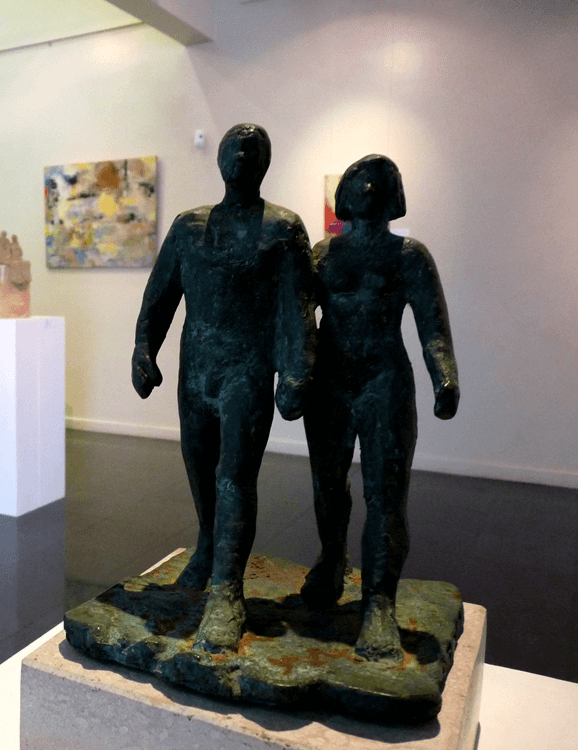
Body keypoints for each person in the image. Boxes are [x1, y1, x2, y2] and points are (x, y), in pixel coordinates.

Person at [132, 124, 316, 652]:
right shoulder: (189, 227)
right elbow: (160, 295)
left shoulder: (282, 228)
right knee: (198, 468)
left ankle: (227, 592)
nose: (241, 154)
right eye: (233, 147)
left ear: (265, 162)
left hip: (247, 367)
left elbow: (298, 307)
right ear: (218, 160)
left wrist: (296, 370)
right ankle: (208, 545)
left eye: (252, 148)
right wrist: (144, 349)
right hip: (196, 368)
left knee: (234, 476)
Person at [300, 154, 459, 661]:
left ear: (394, 198)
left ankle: (379, 603)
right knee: (327, 484)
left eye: (380, 181)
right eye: (360, 179)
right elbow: (298, 318)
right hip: (330, 382)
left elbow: (433, 327)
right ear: (344, 197)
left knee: (386, 494)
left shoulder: (408, 255)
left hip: (383, 379)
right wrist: (293, 373)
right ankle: (332, 557)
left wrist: (445, 376)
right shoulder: (323, 254)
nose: (369, 186)